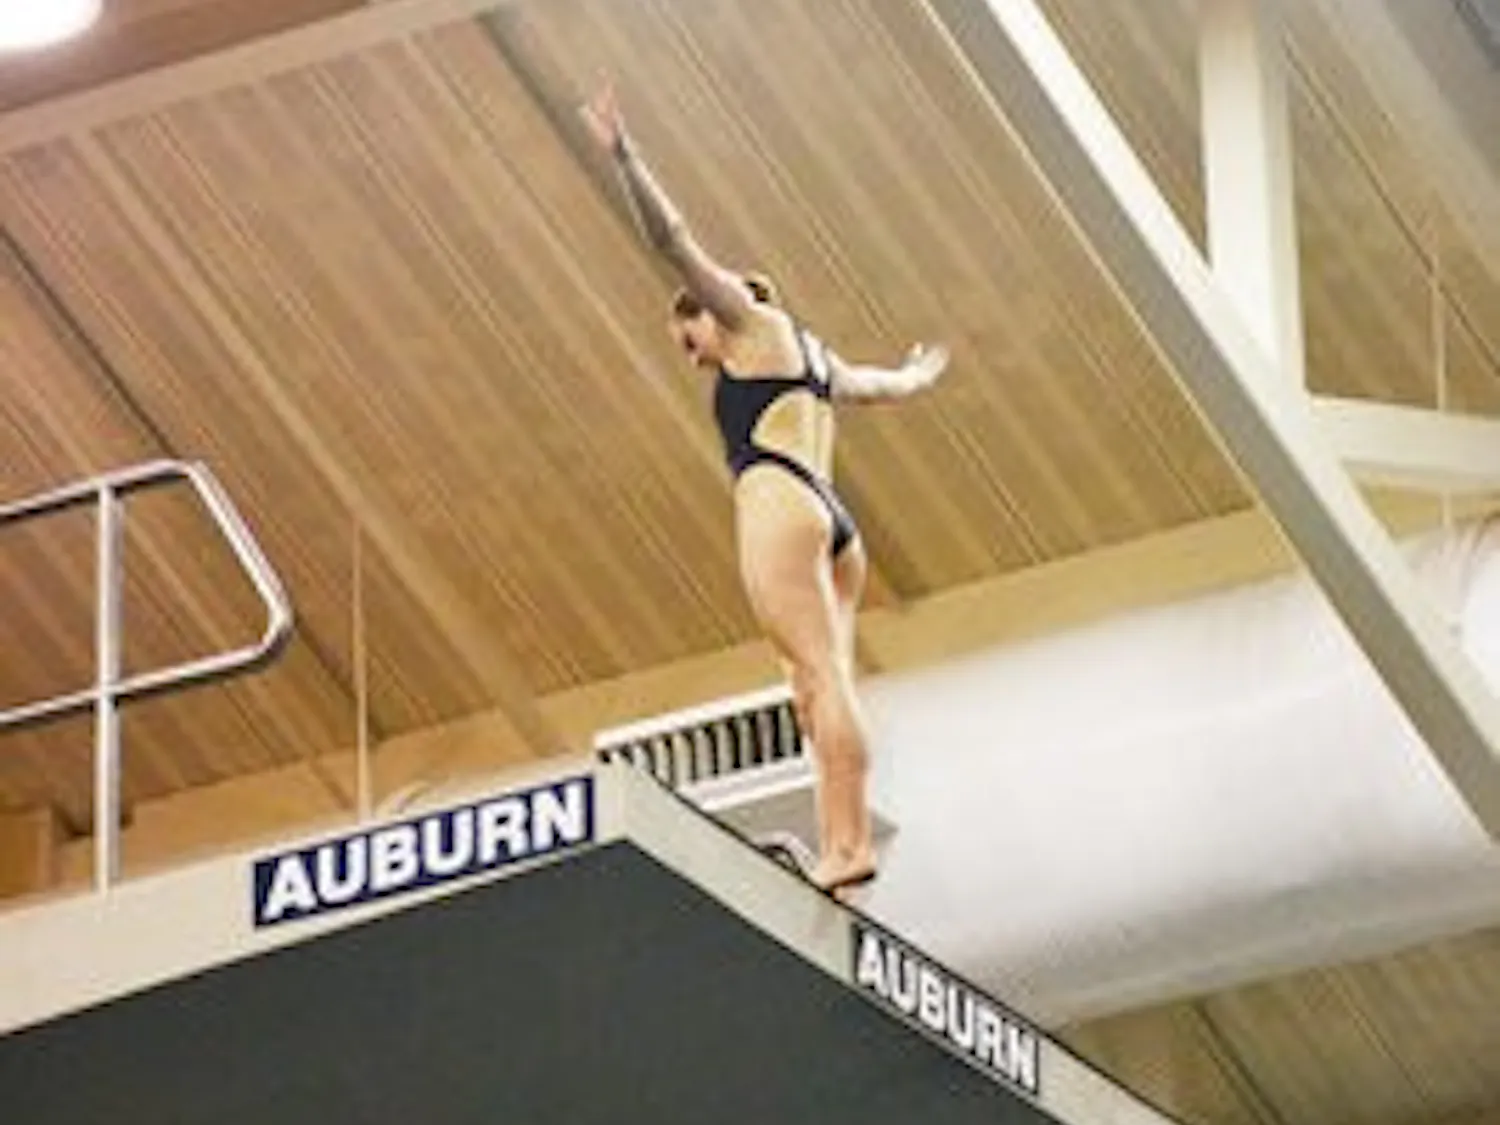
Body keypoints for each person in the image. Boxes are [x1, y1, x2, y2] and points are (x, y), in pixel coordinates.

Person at [580, 80, 948, 898]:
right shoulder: (812, 355)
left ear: (719, 308)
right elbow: (876, 386)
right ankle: (838, 848)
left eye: (687, 331)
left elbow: (672, 240)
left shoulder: (750, 325)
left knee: (819, 675)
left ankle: (848, 842)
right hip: (831, 518)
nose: (687, 347)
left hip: (781, 501)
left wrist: (624, 156)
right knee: (812, 682)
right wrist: (916, 375)